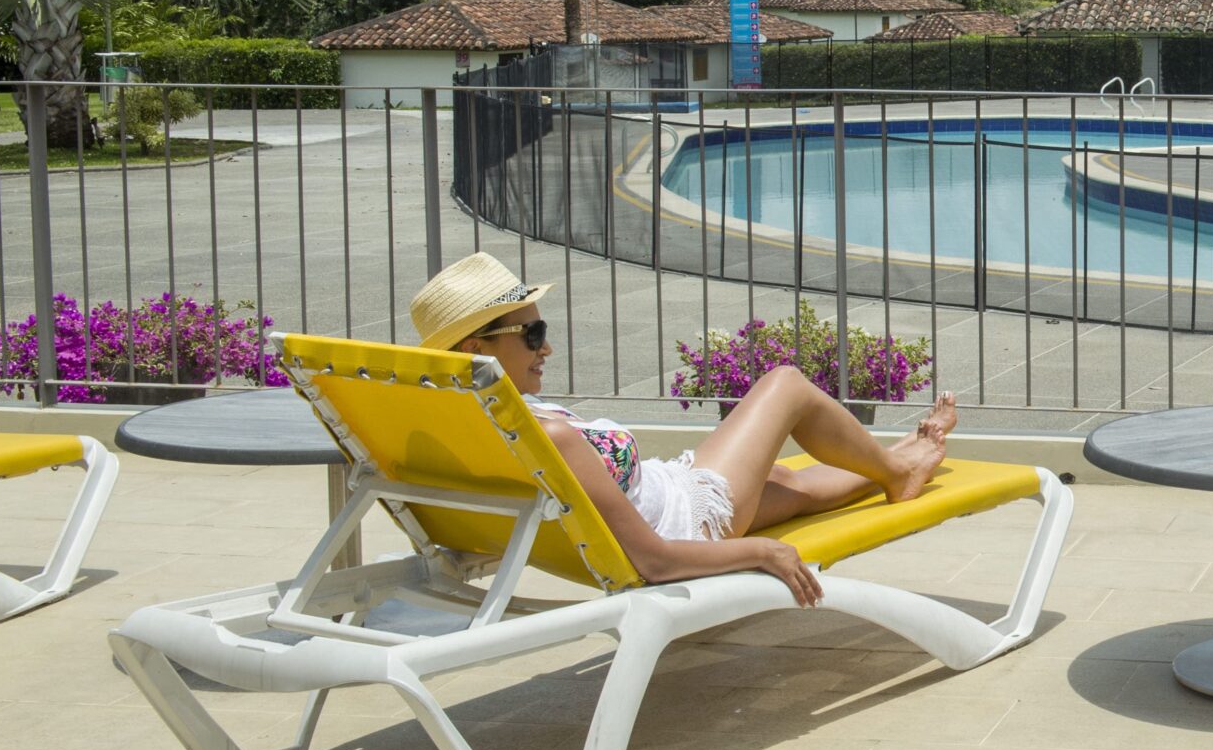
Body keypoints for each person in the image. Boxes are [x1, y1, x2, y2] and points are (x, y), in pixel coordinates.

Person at [407, 252, 954, 607]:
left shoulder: (462, 419)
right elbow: (655, 560)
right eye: (532, 333)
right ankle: (897, 470)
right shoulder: (550, 440)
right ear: (476, 349)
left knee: (792, 484)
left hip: (667, 493)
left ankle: (903, 456)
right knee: (786, 384)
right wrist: (764, 554)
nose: (546, 347)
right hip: (686, 522)